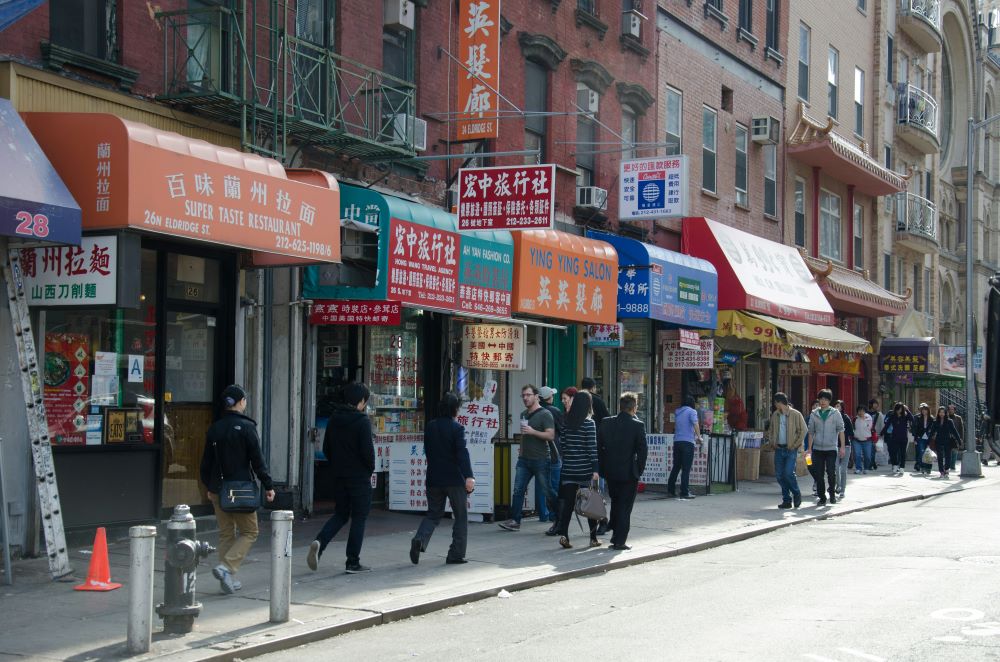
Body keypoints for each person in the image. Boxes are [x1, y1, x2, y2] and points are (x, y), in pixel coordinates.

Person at [200, 384, 275, 594]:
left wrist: (208, 485)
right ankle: (227, 568)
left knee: (226, 533)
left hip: (217, 488)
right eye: (245, 400)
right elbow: (257, 461)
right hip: (241, 489)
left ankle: (229, 579)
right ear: (241, 402)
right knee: (250, 531)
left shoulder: (215, 428)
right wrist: (268, 485)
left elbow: (205, 463)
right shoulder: (247, 428)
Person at [307, 382, 375, 574]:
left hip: (338, 475)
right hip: (359, 477)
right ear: (361, 401)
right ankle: (352, 561)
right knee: (359, 517)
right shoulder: (362, 422)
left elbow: (326, 448)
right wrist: (368, 470)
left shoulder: (334, 419)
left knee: (341, 514)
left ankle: (320, 542)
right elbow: (368, 453)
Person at [410, 393, 475, 565]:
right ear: (454, 409)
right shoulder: (457, 428)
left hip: (433, 478)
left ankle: (420, 539)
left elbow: (428, 450)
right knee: (460, 517)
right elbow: (462, 454)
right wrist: (469, 475)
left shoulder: (430, 426)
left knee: (433, 514)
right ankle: (455, 554)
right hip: (454, 479)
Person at [498, 385, 556, 531]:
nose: (525, 398)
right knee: (518, 489)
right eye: (523, 395)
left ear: (536, 396)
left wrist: (533, 431)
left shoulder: (545, 414)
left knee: (547, 490)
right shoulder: (523, 414)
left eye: (528, 395)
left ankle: (560, 516)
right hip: (524, 459)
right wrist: (521, 451)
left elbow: (550, 435)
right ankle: (515, 521)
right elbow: (524, 436)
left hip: (541, 459)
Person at [597, 392, 648, 550]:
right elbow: (642, 451)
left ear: (620, 406)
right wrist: (638, 470)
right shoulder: (638, 425)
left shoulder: (606, 422)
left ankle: (614, 535)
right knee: (625, 507)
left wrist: (603, 467)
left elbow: (599, 447)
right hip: (628, 473)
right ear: (634, 407)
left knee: (616, 503)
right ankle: (619, 540)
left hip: (611, 472)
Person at [553, 391, 601, 549]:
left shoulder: (566, 422)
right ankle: (593, 538)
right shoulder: (589, 423)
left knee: (568, 505)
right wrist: (595, 470)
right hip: (585, 470)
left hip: (568, 470)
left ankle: (564, 535)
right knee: (589, 505)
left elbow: (564, 446)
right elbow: (591, 448)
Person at [763, 392, 805, 509]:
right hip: (779, 448)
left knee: (788, 473)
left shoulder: (796, 414)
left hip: (791, 448)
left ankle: (796, 493)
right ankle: (786, 499)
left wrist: (795, 444)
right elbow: (770, 430)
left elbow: (803, 430)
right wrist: (772, 442)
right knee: (779, 475)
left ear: (779, 402)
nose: (775, 405)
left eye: (775, 403)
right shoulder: (775, 415)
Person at [807, 389, 845, 505]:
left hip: (831, 449)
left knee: (831, 472)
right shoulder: (814, 413)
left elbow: (841, 430)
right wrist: (809, 449)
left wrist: (842, 447)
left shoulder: (835, 413)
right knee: (818, 474)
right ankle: (822, 497)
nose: (823, 401)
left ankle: (832, 495)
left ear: (829, 401)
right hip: (817, 449)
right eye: (821, 399)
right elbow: (811, 432)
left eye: (826, 399)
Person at [536, 386, 563, 531]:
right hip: (553, 451)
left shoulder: (534, 411)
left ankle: (542, 513)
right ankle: (553, 513)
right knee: (553, 484)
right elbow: (562, 429)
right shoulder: (555, 411)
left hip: (536, 451)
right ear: (549, 397)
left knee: (540, 483)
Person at [668, 395, 701, 499]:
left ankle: (671, 490)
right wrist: (699, 437)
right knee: (686, 469)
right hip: (687, 442)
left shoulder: (678, 412)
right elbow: (695, 424)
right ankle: (684, 492)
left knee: (676, 466)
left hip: (677, 442)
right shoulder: (692, 411)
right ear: (692, 404)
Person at [881, 402, 912, 476]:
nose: (899, 411)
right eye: (898, 409)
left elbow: (912, 419)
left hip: (904, 437)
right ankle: (895, 465)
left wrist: (907, 410)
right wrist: (881, 433)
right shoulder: (892, 416)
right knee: (894, 452)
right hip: (894, 437)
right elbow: (887, 425)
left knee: (902, 453)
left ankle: (902, 467)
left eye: (901, 409)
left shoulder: (905, 416)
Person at [930, 406, 962, 478]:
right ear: (938, 413)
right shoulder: (935, 421)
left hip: (948, 440)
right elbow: (932, 432)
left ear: (945, 413)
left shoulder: (949, 421)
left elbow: (954, 431)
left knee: (948, 456)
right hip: (939, 440)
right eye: (940, 412)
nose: (941, 414)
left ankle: (947, 469)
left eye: (943, 412)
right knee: (940, 457)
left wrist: (959, 440)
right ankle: (941, 471)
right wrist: (928, 441)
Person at [833, 400, 854, 499]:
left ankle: (842, 490)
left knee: (843, 469)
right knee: (836, 468)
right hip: (834, 446)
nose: (837, 408)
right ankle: (838, 485)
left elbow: (851, 433)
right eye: (835, 406)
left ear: (842, 407)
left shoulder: (846, 418)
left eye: (838, 406)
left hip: (845, 446)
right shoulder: (831, 418)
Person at [911, 403, 934, 477]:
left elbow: (933, 428)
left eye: (925, 410)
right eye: (923, 410)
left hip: (928, 437)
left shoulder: (931, 418)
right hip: (920, 437)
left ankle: (928, 467)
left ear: (928, 410)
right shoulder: (918, 418)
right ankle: (922, 467)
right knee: (921, 453)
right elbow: (915, 428)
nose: (924, 412)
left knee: (928, 453)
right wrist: (915, 438)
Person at [852, 405, 874, 476]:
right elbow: (852, 428)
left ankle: (866, 468)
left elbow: (869, 428)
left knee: (867, 456)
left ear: (865, 411)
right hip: (856, 440)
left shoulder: (869, 418)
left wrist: (864, 419)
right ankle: (858, 468)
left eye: (862, 410)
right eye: (859, 411)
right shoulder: (855, 419)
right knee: (857, 454)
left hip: (867, 440)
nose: (861, 412)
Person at [867, 399, 885, 470]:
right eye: (874, 403)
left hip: (875, 434)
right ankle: (873, 463)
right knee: (870, 450)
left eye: (876, 404)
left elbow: (882, 425)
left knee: (873, 450)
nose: (876, 405)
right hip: (867, 434)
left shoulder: (879, 414)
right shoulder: (866, 414)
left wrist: (881, 435)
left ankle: (871, 463)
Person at [947, 404, 965, 470]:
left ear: (954, 410)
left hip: (955, 437)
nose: (951, 411)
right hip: (947, 437)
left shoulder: (958, 418)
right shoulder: (946, 417)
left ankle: (952, 465)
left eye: (952, 409)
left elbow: (961, 429)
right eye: (949, 409)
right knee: (948, 452)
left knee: (954, 452)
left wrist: (961, 438)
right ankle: (947, 464)